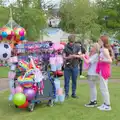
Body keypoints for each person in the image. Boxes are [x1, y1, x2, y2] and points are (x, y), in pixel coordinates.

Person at [96, 35, 113, 111]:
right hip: (102, 69)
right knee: (102, 88)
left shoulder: (104, 50)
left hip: (104, 70)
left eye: (100, 40)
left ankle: (107, 105)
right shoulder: (102, 49)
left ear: (103, 41)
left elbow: (110, 60)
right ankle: (105, 103)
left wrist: (102, 61)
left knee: (104, 88)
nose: (98, 41)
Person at [81, 43, 100, 107]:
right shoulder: (94, 55)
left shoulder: (96, 55)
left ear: (95, 48)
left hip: (93, 73)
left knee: (92, 88)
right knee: (92, 87)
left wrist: (83, 57)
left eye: (92, 46)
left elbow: (87, 62)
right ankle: (93, 101)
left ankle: (93, 101)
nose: (91, 47)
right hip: (92, 73)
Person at [63, 35, 81, 99]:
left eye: (72, 40)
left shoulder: (77, 47)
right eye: (70, 40)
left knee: (74, 81)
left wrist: (74, 56)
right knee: (66, 81)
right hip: (67, 66)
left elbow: (80, 56)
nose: (71, 41)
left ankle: (73, 93)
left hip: (75, 65)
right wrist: (69, 57)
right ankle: (66, 94)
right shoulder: (65, 47)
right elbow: (64, 57)